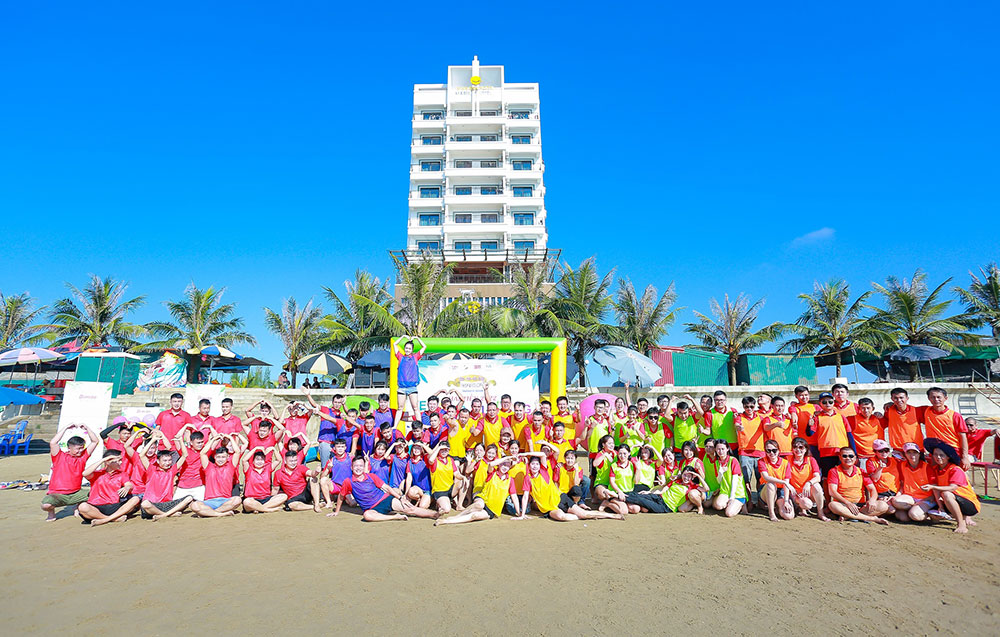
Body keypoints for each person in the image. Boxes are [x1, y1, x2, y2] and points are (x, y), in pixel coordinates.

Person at [329, 456, 439, 522]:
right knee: (367, 516)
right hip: (372, 508)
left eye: (361, 466)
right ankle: (394, 517)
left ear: (364, 467)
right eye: (356, 466)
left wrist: (400, 498)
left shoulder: (371, 476)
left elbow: (387, 488)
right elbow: (341, 496)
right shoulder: (348, 481)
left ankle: (434, 514)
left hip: (385, 499)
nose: (358, 468)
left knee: (410, 509)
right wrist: (337, 511)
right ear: (352, 468)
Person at [519, 454, 623, 522]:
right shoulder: (528, 479)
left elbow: (542, 455)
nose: (535, 466)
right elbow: (525, 496)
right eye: (532, 464)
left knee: (584, 514)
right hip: (549, 508)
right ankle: (586, 515)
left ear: (540, 466)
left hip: (560, 499)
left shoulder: (544, 472)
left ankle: (611, 516)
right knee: (562, 517)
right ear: (529, 466)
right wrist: (522, 515)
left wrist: (525, 454)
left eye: (537, 464)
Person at [435, 455, 521, 525]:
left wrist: (519, 513)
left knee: (474, 516)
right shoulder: (492, 473)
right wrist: (507, 458)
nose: (505, 467)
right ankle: (454, 518)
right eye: (503, 464)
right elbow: (491, 464)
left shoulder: (510, 480)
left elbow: (514, 497)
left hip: (493, 509)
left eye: (507, 465)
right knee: (479, 505)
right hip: (483, 499)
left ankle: (447, 521)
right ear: (499, 464)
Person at [921, 438, 980, 533]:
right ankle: (955, 515)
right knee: (933, 516)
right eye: (935, 454)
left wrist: (932, 487)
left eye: (941, 455)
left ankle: (961, 524)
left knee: (946, 494)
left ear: (948, 457)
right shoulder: (935, 469)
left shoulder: (955, 469)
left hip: (968, 503)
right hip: (949, 500)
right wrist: (940, 507)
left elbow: (953, 487)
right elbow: (935, 489)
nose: (938, 457)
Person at [42, 425, 99, 521]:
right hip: (58, 493)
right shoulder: (59, 456)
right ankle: (51, 513)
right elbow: (53, 442)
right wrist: (66, 428)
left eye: (82, 448)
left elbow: (95, 441)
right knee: (46, 505)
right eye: (78, 449)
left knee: (97, 494)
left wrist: (87, 428)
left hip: (76, 492)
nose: (80, 451)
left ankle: (78, 506)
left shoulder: (82, 457)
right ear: (69, 448)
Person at [826, 447, 889, 525]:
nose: (848, 458)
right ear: (840, 457)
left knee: (884, 505)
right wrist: (847, 503)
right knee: (832, 505)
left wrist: (872, 500)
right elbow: (832, 492)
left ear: (855, 458)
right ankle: (870, 518)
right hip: (844, 504)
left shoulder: (861, 471)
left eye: (851, 456)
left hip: (861, 506)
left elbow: (872, 489)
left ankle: (849, 516)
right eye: (844, 456)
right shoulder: (834, 471)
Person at [139, 434, 195, 520]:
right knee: (144, 504)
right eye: (164, 461)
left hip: (166, 504)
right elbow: (142, 455)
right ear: (158, 461)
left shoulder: (171, 470)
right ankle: (168, 514)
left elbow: (185, 455)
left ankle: (163, 515)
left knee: (189, 498)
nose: (167, 463)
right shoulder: (151, 469)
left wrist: (180, 441)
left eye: (169, 460)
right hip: (152, 504)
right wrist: (153, 440)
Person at [77, 450, 140, 526]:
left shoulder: (122, 474)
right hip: (96, 507)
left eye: (121, 460)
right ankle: (113, 519)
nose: (121, 463)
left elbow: (129, 485)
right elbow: (84, 473)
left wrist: (127, 487)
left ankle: (104, 520)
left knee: (136, 499)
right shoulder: (97, 474)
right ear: (108, 462)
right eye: (118, 461)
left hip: (114, 506)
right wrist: (103, 460)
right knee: (82, 507)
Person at [190, 433, 243, 517]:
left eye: (223, 457)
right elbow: (202, 453)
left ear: (227, 457)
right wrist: (213, 439)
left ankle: (211, 513)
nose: (220, 459)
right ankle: (220, 514)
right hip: (209, 501)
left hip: (225, 501)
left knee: (237, 500)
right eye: (218, 457)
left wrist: (230, 438)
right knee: (194, 505)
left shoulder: (230, 466)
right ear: (214, 457)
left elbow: (237, 451)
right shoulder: (209, 467)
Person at [918, 387, 971, 470]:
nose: (936, 399)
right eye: (933, 397)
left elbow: (963, 437)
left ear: (945, 398)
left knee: (955, 473)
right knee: (936, 473)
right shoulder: (925, 411)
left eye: (939, 397)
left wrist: (965, 457)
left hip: (952, 450)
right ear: (929, 398)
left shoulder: (955, 416)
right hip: (935, 451)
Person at [625, 467, 705, 514]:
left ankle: (621, 496)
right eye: (684, 475)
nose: (686, 478)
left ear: (692, 477)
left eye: (689, 476)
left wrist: (698, 475)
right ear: (682, 475)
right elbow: (663, 490)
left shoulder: (692, 486)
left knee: (641, 500)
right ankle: (622, 494)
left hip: (666, 507)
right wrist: (649, 492)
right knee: (641, 495)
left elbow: (706, 489)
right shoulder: (676, 481)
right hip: (659, 498)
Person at [808, 392, 853, 476]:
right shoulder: (817, 417)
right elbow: (810, 433)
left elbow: (849, 434)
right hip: (826, 451)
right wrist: (809, 425)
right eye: (824, 402)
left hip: (842, 451)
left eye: (830, 402)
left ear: (833, 402)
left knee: (843, 475)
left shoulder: (841, 417)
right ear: (820, 404)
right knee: (827, 475)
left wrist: (854, 452)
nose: (827, 404)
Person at [888, 442, 933, 522]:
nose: (912, 455)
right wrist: (897, 496)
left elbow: (934, 485)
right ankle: (913, 509)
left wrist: (936, 501)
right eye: (909, 452)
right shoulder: (902, 465)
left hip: (926, 498)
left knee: (915, 515)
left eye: (914, 452)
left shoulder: (927, 467)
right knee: (896, 503)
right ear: (905, 454)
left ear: (919, 454)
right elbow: (902, 484)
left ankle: (928, 515)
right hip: (909, 496)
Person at [787, 437, 829, 520]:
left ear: (806, 449)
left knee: (817, 486)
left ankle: (820, 513)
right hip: (795, 492)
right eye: (795, 447)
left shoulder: (811, 460)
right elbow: (785, 479)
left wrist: (808, 483)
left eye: (801, 447)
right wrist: (793, 490)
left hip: (808, 490)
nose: (798, 450)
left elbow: (817, 477)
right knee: (806, 504)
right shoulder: (787, 460)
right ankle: (800, 507)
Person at [734, 396, 765, 501]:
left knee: (760, 479)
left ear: (755, 406)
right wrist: (739, 427)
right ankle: (749, 500)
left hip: (760, 451)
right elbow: (736, 424)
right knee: (746, 479)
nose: (749, 409)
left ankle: (760, 500)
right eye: (746, 406)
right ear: (743, 406)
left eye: (751, 406)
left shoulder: (760, 417)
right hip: (745, 452)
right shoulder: (739, 417)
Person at [393, 336, 426, 430]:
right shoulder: (400, 357)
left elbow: (424, 347)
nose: (407, 350)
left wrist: (417, 338)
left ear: (412, 350)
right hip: (402, 387)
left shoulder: (415, 357)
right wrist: (403, 337)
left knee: (415, 408)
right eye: (406, 348)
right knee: (400, 408)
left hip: (412, 387)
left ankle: (420, 425)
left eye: (409, 348)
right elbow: (395, 344)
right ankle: (395, 426)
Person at [708, 440, 747, 517]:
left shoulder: (733, 460)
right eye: (718, 449)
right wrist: (721, 472)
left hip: (737, 493)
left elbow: (735, 480)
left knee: (729, 513)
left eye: (723, 449)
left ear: (727, 449)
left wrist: (732, 497)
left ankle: (741, 503)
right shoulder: (717, 462)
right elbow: (719, 481)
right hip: (725, 492)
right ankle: (730, 504)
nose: (720, 451)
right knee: (718, 505)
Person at [241, 448, 286, 513]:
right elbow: (244, 460)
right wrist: (255, 449)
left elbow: (279, 460)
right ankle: (267, 509)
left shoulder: (268, 468)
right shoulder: (249, 469)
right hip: (252, 499)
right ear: (253, 461)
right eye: (257, 459)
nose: (259, 462)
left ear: (264, 461)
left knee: (283, 496)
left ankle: (259, 508)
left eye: (262, 459)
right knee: (246, 502)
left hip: (266, 499)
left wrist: (273, 449)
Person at [757, 441, 794, 521]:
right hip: (766, 489)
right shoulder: (762, 461)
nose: (771, 453)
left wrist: (786, 501)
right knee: (771, 484)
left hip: (781, 490)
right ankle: (771, 513)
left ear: (778, 450)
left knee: (788, 516)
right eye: (768, 450)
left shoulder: (785, 463)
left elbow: (786, 483)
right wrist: (783, 482)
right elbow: (766, 477)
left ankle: (778, 505)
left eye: (774, 450)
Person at [850, 398, 885, 470]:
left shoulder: (880, 419)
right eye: (863, 408)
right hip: (862, 457)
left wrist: (887, 406)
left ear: (873, 408)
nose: (866, 411)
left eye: (868, 408)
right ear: (858, 408)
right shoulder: (852, 419)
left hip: (878, 456)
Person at [426, 442, 461, 513]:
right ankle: (440, 504)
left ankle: (459, 505)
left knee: (463, 481)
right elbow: (430, 460)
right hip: (439, 491)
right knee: (446, 509)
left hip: (450, 489)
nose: (444, 452)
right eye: (442, 450)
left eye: (446, 450)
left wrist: (463, 477)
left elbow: (456, 473)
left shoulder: (450, 460)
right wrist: (439, 447)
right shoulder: (435, 460)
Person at [788, 386, 818, 458]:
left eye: (806, 395)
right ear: (796, 396)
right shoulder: (794, 407)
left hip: (817, 442)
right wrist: (794, 423)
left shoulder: (815, 407)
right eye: (801, 395)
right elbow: (793, 414)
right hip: (803, 443)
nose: (804, 397)